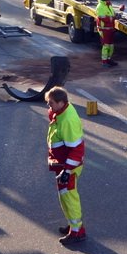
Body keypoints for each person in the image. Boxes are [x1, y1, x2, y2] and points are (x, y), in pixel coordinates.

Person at [45, 86, 86, 245]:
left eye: (51, 103)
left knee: (69, 198)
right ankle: (73, 225)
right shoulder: (62, 112)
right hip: (63, 165)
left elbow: (76, 149)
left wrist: (67, 170)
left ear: (61, 103)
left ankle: (77, 231)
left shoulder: (67, 120)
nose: (49, 107)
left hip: (67, 168)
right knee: (65, 197)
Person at [96, 0, 118, 67]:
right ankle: (104, 62)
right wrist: (113, 18)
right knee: (106, 46)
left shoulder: (109, 5)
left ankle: (109, 59)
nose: (110, 1)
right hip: (104, 29)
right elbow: (103, 18)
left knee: (111, 46)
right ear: (105, 0)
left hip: (110, 29)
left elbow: (112, 14)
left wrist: (116, 15)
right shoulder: (100, 7)